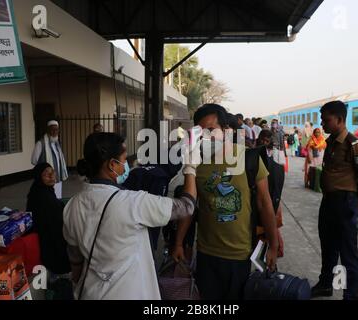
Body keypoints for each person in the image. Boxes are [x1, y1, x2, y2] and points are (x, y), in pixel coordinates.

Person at [62, 133, 197, 300]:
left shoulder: (72, 205)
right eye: (124, 159)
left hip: (91, 292)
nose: (126, 165)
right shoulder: (132, 203)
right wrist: (190, 168)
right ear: (112, 164)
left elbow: (75, 259)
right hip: (129, 292)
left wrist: (76, 283)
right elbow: (187, 206)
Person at [172, 104, 278, 300]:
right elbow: (190, 206)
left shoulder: (248, 158)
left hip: (240, 254)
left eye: (211, 130)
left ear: (225, 130)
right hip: (206, 253)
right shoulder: (197, 164)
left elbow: (265, 203)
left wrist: (273, 244)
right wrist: (179, 242)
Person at [311, 101, 358, 300]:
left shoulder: (354, 145)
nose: (322, 123)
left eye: (326, 119)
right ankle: (325, 284)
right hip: (329, 201)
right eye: (322, 119)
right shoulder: (330, 142)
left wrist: (356, 198)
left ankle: (350, 295)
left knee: (347, 253)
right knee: (328, 247)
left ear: (339, 119)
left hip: (344, 203)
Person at [26, 163, 71, 277]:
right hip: (47, 237)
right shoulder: (42, 196)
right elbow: (54, 222)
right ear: (39, 177)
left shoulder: (41, 189)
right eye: (46, 174)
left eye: (53, 172)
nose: (51, 176)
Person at [31, 120, 68, 199]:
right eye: (52, 129)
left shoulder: (57, 143)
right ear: (48, 130)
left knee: (57, 198)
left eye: (56, 129)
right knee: (46, 198)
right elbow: (34, 161)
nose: (55, 131)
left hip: (56, 177)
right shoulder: (40, 143)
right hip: (46, 180)